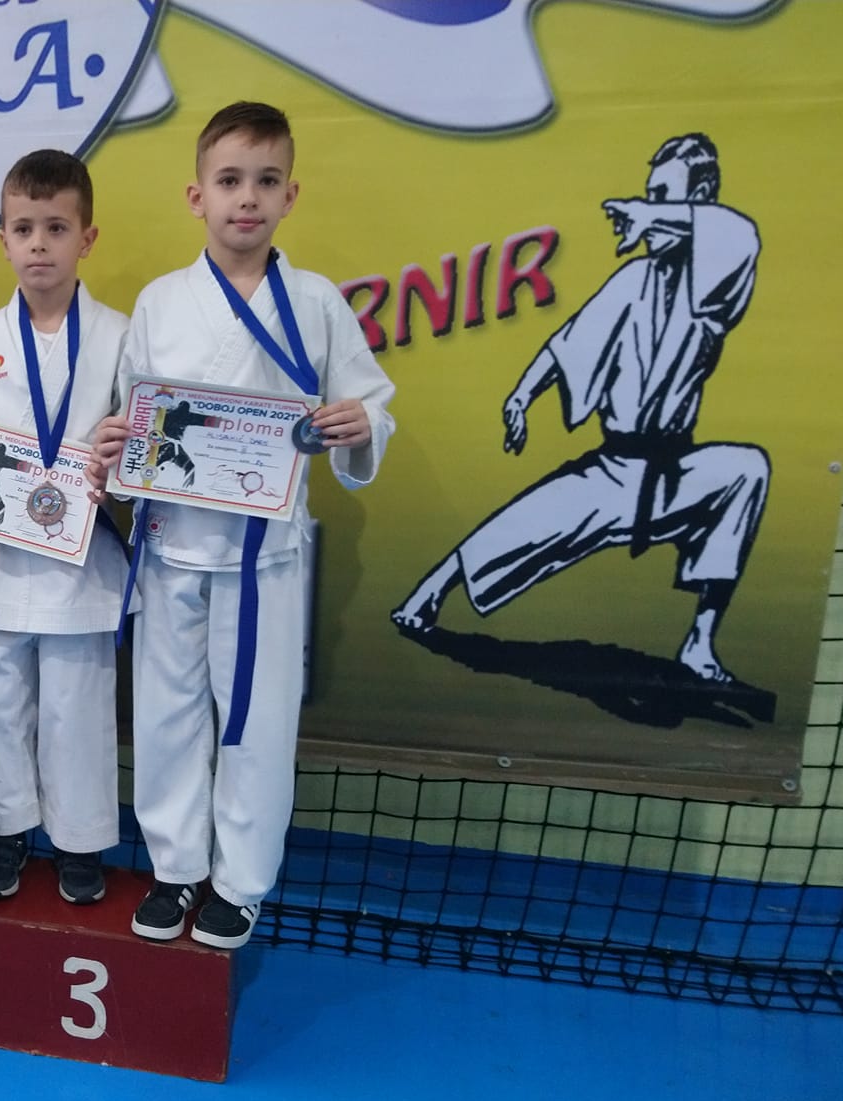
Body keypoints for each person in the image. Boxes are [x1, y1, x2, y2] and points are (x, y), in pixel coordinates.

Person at [90, 101, 396, 948]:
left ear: (291, 195)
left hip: (266, 559)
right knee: (166, 714)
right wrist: (116, 444)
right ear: (198, 196)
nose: (247, 198)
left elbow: (369, 403)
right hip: (173, 545)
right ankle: (176, 867)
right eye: (229, 180)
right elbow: (134, 417)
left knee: (258, 720)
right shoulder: (161, 301)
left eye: (266, 181)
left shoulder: (317, 302)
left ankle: (240, 882)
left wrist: (361, 425)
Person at [391, 134, 766, 684]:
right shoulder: (634, 279)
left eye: (664, 197)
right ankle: (429, 594)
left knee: (746, 470)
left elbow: (734, 232)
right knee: (524, 522)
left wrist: (646, 214)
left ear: (700, 198)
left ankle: (700, 643)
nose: (650, 210)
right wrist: (522, 396)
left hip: (675, 471)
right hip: (617, 467)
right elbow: (569, 343)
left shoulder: (718, 278)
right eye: (650, 196)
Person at [0, 149, 132, 905]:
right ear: (3, 240)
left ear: (86, 238)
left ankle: (80, 841)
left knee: (78, 707)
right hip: (2, 559)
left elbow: (138, 442)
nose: (40, 244)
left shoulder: (119, 336)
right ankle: (7, 829)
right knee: (2, 702)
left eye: (56, 228)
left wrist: (119, 466)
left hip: (82, 560)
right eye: (24, 228)